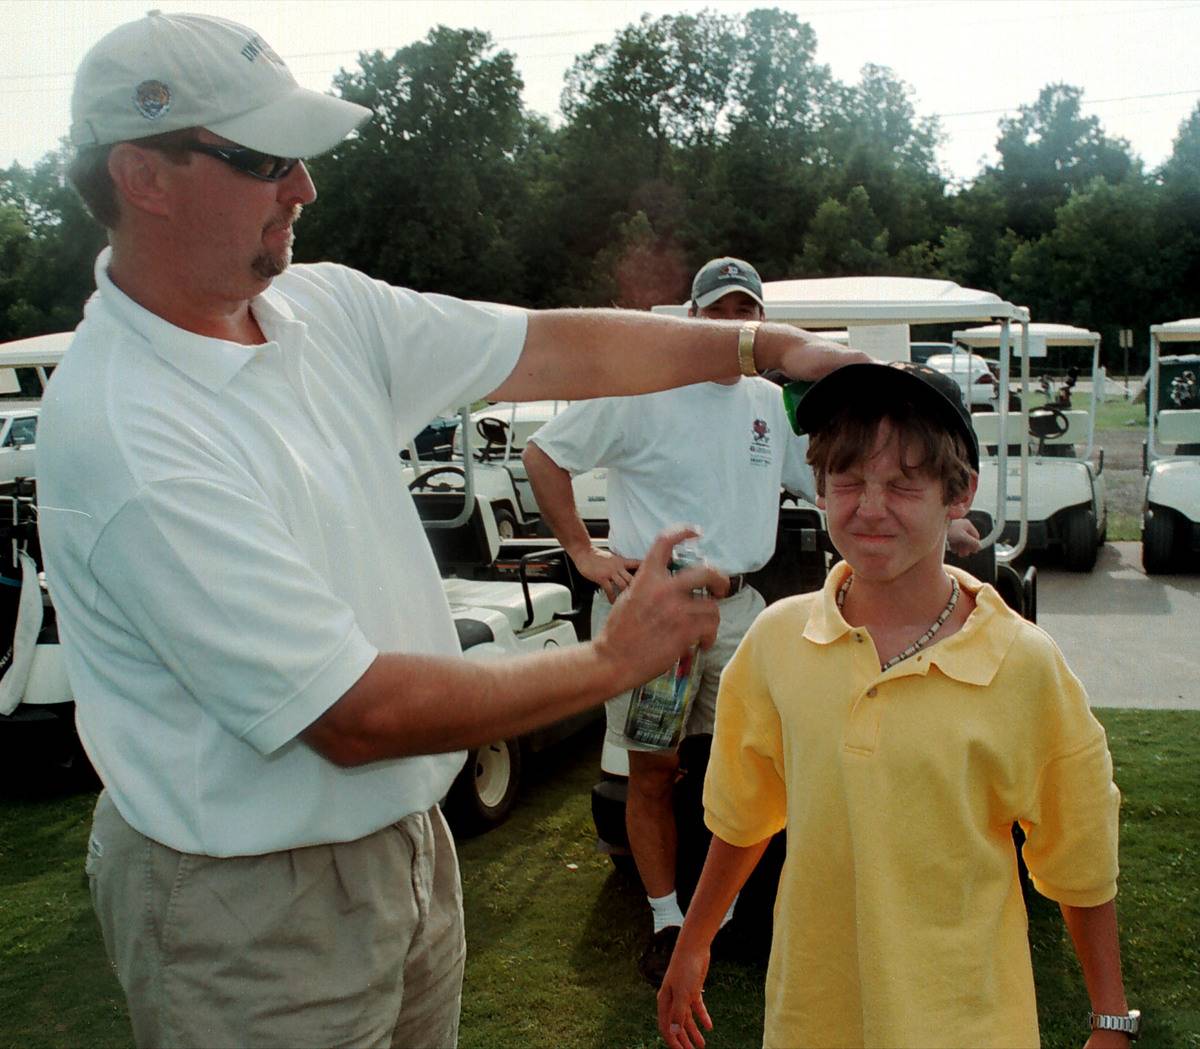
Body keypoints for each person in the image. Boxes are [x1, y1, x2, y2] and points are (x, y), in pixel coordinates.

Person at [37, 13, 864, 1048]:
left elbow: (551, 348)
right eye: (265, 159)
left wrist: (763, 344)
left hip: (408, 842)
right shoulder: (127, 432)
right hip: (251, 912)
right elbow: (355, 713)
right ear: (143, 177)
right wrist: (615, 658)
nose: (305, 187)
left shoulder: (317, 308)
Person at [523, 260, 981, 989]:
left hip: (741, 611)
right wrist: (583, 551)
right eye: (720, 312)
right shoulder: (642, 387)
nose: (735, 324)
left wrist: (939, 521)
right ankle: (668, 921)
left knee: (750, 763)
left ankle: (727, 916)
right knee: (652, 771)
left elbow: (833, 478)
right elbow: (543, 454)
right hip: (660, 610)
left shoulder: (770, 403)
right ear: (694, 318)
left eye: (748, 312)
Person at [656, 361, 1137, 1049]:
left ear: (959, 492)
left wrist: (1109, 1016)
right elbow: (744, 813)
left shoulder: (1024, 664)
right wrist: (693, 939)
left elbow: (1080, 853)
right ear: (819, 487)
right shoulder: (777, 642)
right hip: (811, 1018)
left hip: (970, 1024)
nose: (870, 507)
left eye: (904, 482)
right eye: (848, 480)